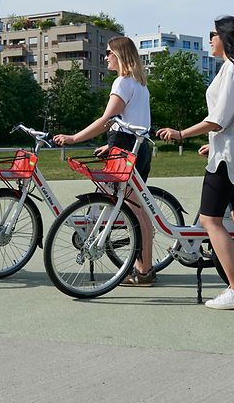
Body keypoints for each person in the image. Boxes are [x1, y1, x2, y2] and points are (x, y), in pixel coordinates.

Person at [157, 16, 234, 310]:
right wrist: (214, 142)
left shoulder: (232, 70)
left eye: (212, 34)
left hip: (228, 160)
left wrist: (181, 133)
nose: (210, 40)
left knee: (210, 220)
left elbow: (218, 119)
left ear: (226, 38)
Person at [53, 36, 156, 286]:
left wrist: (74, 138)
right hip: (138, 149)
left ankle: (144, 271)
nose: (105, 57)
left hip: (126, 152)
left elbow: (107, 120)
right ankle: (145, 268)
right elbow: (133, 125)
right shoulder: (139, 84)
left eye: (108, 53)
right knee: (138, 209)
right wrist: (109, 145)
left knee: (133, 210)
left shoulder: (122, 83)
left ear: (120, 55)